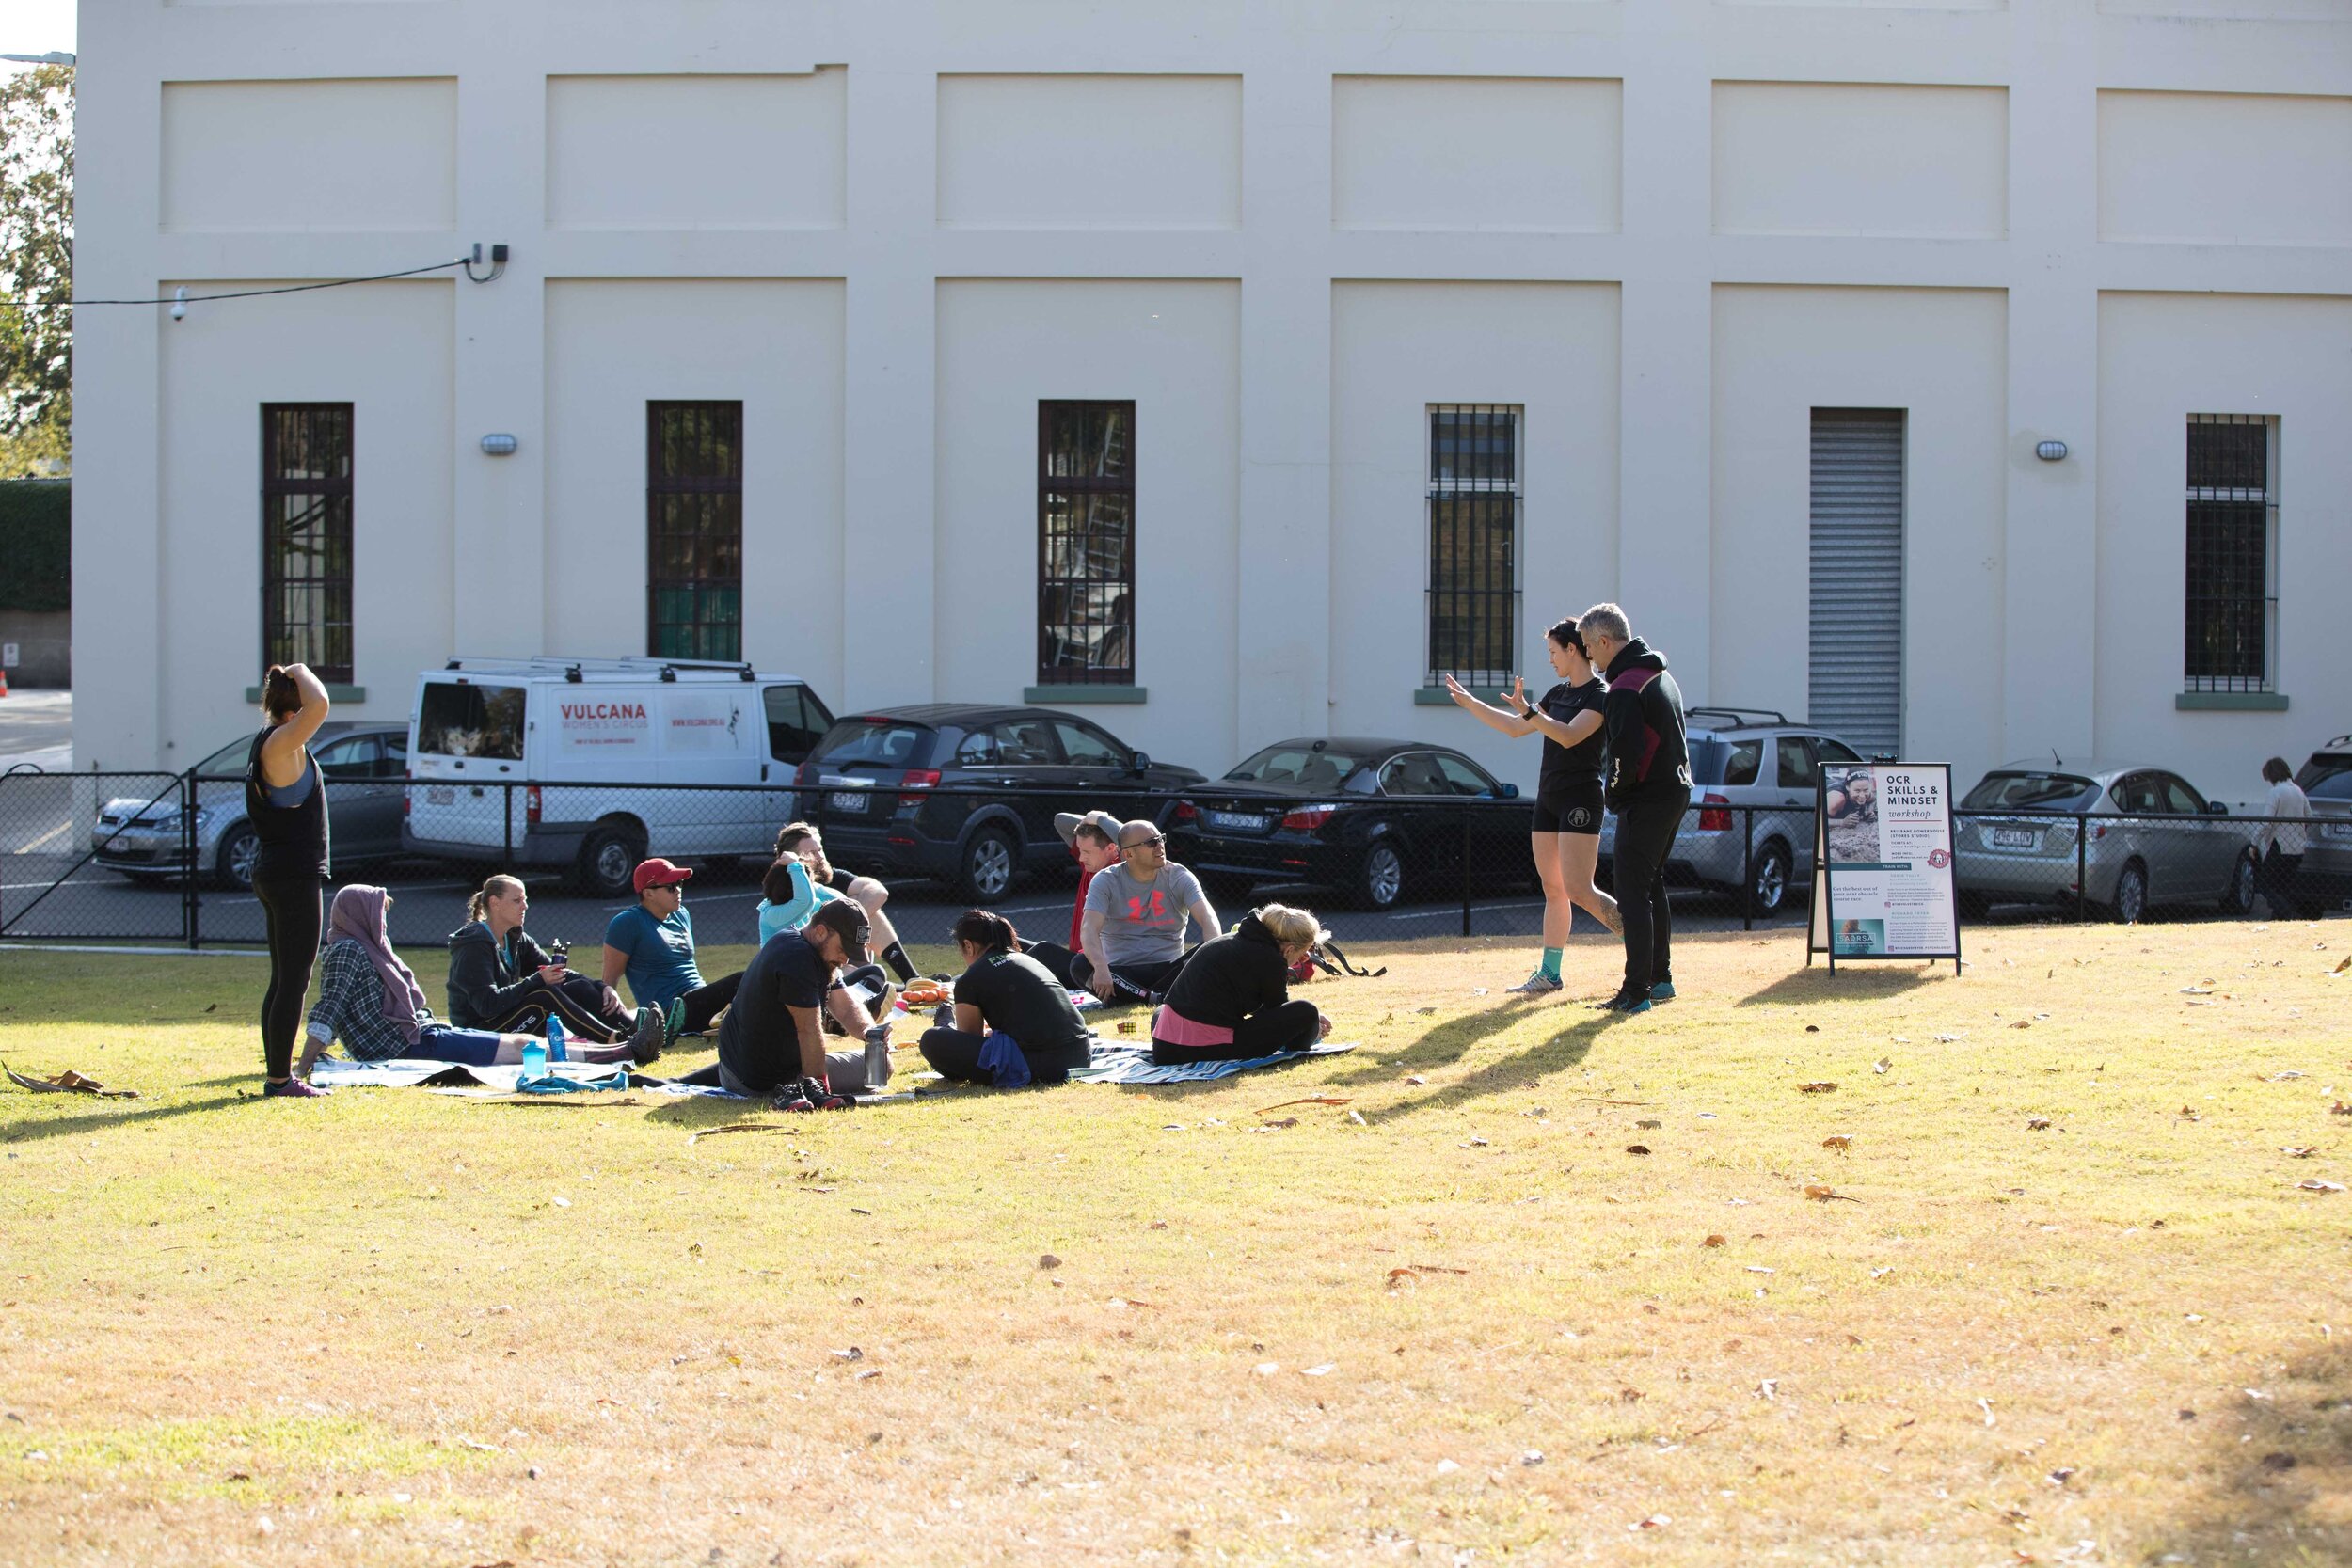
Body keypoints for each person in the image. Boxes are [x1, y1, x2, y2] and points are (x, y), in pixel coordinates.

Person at [1444, 617, 1623, 995]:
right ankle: (1550, 973)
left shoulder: (1600, 695)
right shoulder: (1557, 693)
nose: (1551, 660)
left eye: (1553, 652)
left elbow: (1571, 736)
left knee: (1580, 888)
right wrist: (1471, 703)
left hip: (1581, 799)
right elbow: (1514, 727)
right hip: (1549, 798)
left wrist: (1531, 713)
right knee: (1553, 888)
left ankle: (1644, 944)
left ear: (1572, 649)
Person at [303, 886, 652, 1069]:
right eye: (378, 914)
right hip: (406, 1043)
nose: (383, 923)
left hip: (422, 1032)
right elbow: (329, 1008)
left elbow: (557, 974)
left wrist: (601, 986)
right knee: (521, 1044)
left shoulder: (366, 949)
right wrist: (304, 1065)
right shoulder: (349, 951)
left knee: (562, 992)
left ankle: (626, 1037)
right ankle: (614, 1050)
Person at [1581, 602, 1692, 1015]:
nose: (1590, 657)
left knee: (1631, 893)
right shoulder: (1660, 673)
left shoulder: (1625, 686)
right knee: (1652, 885)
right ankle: (1659, 980)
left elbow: (1623, 755)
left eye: (1591, 648)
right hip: (1677, 789)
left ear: (1606, 642)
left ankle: (1635, 991)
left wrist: (1614, 794)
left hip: (1648, 798)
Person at [445, 874, 664, 1055]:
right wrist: (536, 980)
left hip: (504, 1018)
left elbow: (558, 974)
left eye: (525, 899)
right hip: (478, 1031)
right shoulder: (473, 944)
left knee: (575, 986)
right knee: (545, 995)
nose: (525, 906)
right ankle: (616, 1041)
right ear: (495, 903)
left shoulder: (515, 938)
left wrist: (602, 987)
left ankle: (635, 1029)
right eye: (517, 900)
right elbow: (487, 1005)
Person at [246, 662, 335, 1096]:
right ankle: (280, 1080)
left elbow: (313, 705)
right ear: (291, 713)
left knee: (284, 978)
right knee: (294, 979)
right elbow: (321, 703)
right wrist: (300, 669)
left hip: (280, 872)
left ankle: (278, 1073)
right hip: (292, 876)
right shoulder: (281, 743)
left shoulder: (277, 742)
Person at [708, 901, 891, 1110]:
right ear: (821, 931)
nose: (845, 958)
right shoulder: (797, 957)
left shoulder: (804, 946)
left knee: (876, 1062)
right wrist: (820, 1089)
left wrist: (869, 1031)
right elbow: (808, 1030)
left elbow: (846, 1006)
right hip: (760, 1081)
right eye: (842, 948)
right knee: (882, 1067)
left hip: (741, 1069)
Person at [918, 910, 1093, 1087]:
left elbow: (970, 1037)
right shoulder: (1028, 959)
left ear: (968, 946)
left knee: (931, 1039)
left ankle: (945, 1025)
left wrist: (948, 1029)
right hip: (1082, 1055)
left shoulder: (970, 979)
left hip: (1040, 1066)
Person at [1150, 904, 1334, 1064]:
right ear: (1289, 949)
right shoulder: (1270, 959)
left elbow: (1266, 1009)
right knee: (1307, 1011)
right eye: (1304, 952)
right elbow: (1279, 1011)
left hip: (1165, 1046)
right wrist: (1311, 1027)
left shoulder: (1232, 940)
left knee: (1164, 1010)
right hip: (1202, 1048)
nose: (1305, 958)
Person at [1075, 818, 1219, 1004]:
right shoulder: (1105, 880)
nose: (1159, 846)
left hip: (1170, 970)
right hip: (1120, 972)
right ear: (1128, 854)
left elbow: (1208, 918)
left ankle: (1138, 997)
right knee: (1080, 965)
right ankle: (1157, 997)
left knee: (1208, 951)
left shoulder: (1179, 876)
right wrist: (1101, 968)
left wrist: (1216, 957)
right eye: (1151, 843)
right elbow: (1088, 929)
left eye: (1161, 839)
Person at [601, 859, 741, 1042]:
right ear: (648, 893)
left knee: (759, 980)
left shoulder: (681, 914)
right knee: (742, 980)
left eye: (680, 884)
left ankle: (728, 1020)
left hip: (697, 997)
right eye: (671, 887)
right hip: (670, 1008)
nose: (678, 890)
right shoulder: (627, 923)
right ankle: (672, 1025)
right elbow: (609, 980)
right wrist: (608, 1021)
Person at [771, 821, 920, 984]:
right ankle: (867, 984)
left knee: (863, 908)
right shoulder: (783, 888)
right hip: (810, 962)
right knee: (853, 911)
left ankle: (912, 980)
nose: (820, 857)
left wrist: (850, 919)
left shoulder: (832, 878)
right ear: (790, 858)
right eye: (811, 853)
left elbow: (878, 891)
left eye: (820, 849)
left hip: (847, 958)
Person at [1019, 810, 1123, 984]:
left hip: (1091, 966)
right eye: (1080, 851)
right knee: (1004, 941)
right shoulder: (1089, 865)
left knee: (1041, 952)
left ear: (1111, 849)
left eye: (1087, 852)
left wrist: (1102, 819)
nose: (1081, 858)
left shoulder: (1121, 871)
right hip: (1075, 959)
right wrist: (1094, 822)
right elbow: (1060, 820)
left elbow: (1130, 838)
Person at [2255, 756, 2312, 917]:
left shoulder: (2275, 792)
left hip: (2279, 845)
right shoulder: (2298, 791)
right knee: (2283, 886)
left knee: (2265, 884)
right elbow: (2309, 815)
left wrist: (2254, 842)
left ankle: (2288, 914)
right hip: (2297, 847)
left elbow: (2267, 822)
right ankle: (2279, 917)